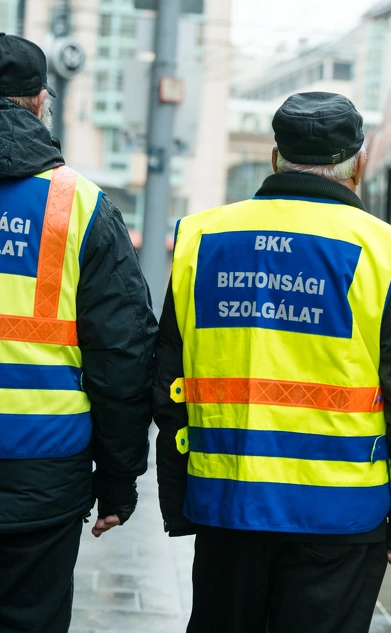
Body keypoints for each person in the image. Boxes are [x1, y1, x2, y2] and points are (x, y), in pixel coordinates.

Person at [153, 92, 391, 633]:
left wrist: (179, 499)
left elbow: (169, 383)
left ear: (275, 157)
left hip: (228, 504)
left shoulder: (201, 239)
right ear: (358, 165)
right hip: (340, 518)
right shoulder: (387, 253)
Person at [0, 34, 157, 632]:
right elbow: (121, 356)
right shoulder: (81, 207)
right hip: (42, 473)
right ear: (40, 102)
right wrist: (119, 481)